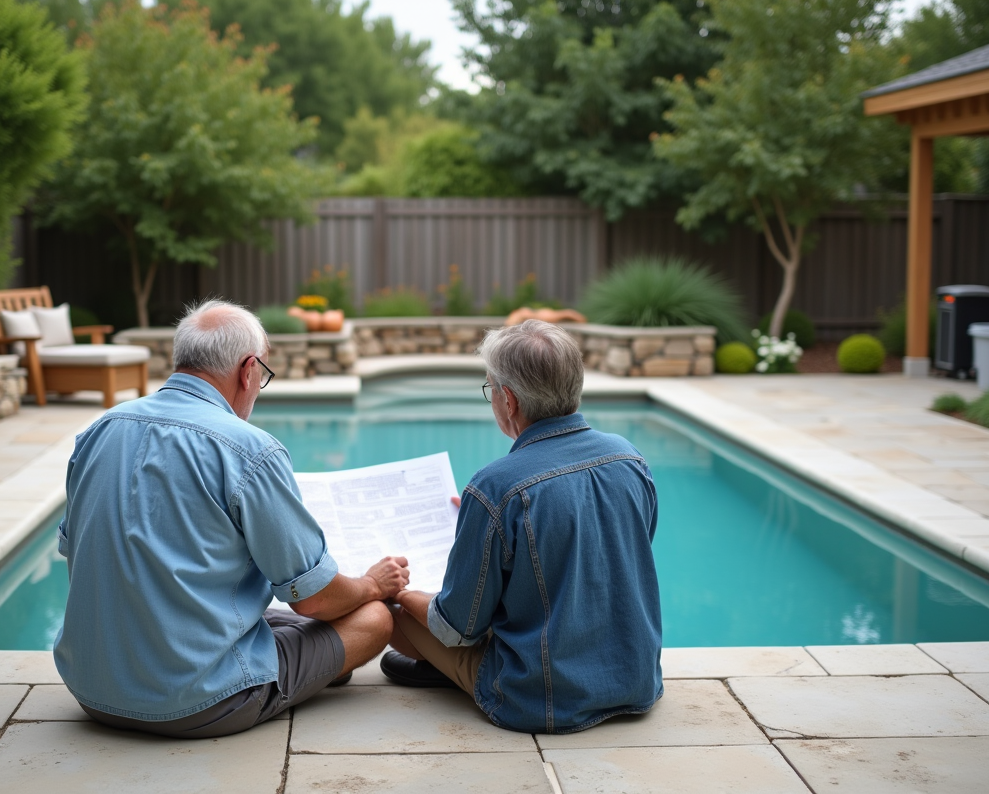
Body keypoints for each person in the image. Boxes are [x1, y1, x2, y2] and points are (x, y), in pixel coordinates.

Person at [54, 300, 408, 738]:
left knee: (277, 615)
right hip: (200, 701)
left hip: (92, 691)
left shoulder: (96, 433)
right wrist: (373, 585)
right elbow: (312, 599)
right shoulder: (248, 449)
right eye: (263, 375)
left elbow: (81, 560)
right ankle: (315, 669)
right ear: (248, 370)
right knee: (372, 617)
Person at [381, 319, 663, 734]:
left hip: (543, 698)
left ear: (508, 400)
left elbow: (459, 626)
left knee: (393, 614)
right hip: (636, 682)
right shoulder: (630, 458)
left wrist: (403, 591)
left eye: (490, 389)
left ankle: (456, 674)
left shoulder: (497, 486)